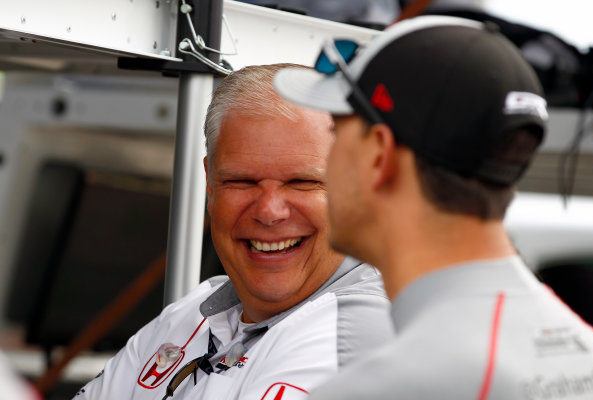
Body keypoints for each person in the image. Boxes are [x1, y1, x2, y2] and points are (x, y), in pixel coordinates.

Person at [274, 15, 593, 399]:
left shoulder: (387, 387)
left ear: (379, 155)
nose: (326, 163)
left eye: (336, 132)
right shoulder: (586, 350)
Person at [73, 64, 393, 400]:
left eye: (303, 182)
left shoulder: (357, 332)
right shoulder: (192, 310)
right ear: (210, 185)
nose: (269, 211)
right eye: (241, 181)